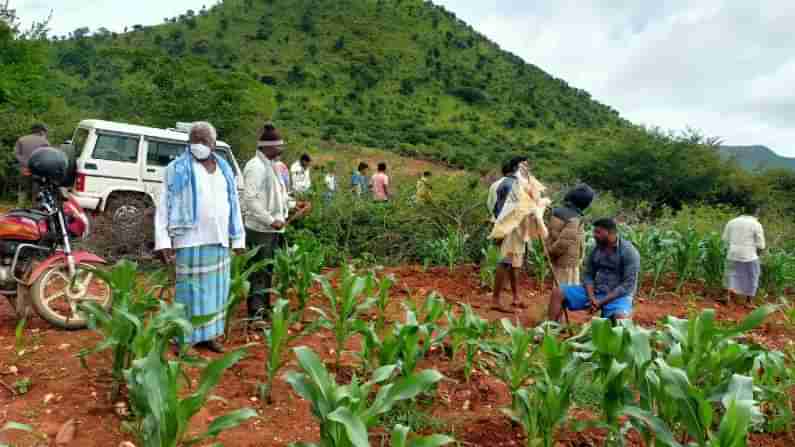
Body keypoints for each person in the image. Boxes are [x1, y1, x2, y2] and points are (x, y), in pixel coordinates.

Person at [155, 122, 245, 353]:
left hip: (219, 239)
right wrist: (163, 241)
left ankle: (210, 335)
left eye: (204, 141)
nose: (198, 145)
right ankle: (185, 339)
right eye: (194, 140)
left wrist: (238, 239)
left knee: (216, 291)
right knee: (190, 292)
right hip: (189, 240)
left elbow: (233, 204)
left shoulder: (225, 169)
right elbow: (164, 206)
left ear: (213, 144)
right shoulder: (176, 168)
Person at [243, 123, 309, 324]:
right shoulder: (255, 167)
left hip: (272, 230)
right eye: (279, 147)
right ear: (267, 147)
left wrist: (294, 205)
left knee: (267, 270)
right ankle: (255, 313)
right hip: (260, 229)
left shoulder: (271, 167)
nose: (281, 150)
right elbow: (250, 200)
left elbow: (279, 196)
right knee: (258, 272)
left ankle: (264, 307)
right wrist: (271, 221)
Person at [547, 218, 640, 322]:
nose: (594, 235)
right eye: (594, 232)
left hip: (617, 297)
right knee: (558, 292)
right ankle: (551, 328)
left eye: (598, 232)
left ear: (610, 233)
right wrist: (592, 298)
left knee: (620, 319)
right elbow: (588, 275)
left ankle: (620, 315)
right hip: (596, 292)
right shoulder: (596, 249)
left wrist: (601, 302)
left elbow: (627, 285)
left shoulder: (629, 252)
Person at [546, 184, 595, 285]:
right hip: (567, 263)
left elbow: (553, 234)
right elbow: (563, 243)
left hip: (559, 261)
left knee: (558, 288)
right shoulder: (574, 218)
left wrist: (549, 254)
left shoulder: (557, 211)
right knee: (565, 291)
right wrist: (550, 253)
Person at [722, 208, 765, 305]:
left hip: (732, 253)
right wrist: (758, 255)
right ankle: (749, 301)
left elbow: (725, 239)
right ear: (755, 213)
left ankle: (727, 296)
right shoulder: (756, 224)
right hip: (749, 254)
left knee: (730, 274)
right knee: (753, 276)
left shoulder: (732, 222)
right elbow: (761, 245)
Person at [15, 123, 50, 205]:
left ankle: (20, 207)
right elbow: (47, 156)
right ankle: (35, 209)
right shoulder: (45, 142)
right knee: (36, 191)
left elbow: (16, 154)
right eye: (45, 132)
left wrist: (25, 163)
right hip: (38, 171)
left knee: (23, 190)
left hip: (25, 169)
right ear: (41, 131)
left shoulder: (21, 139)